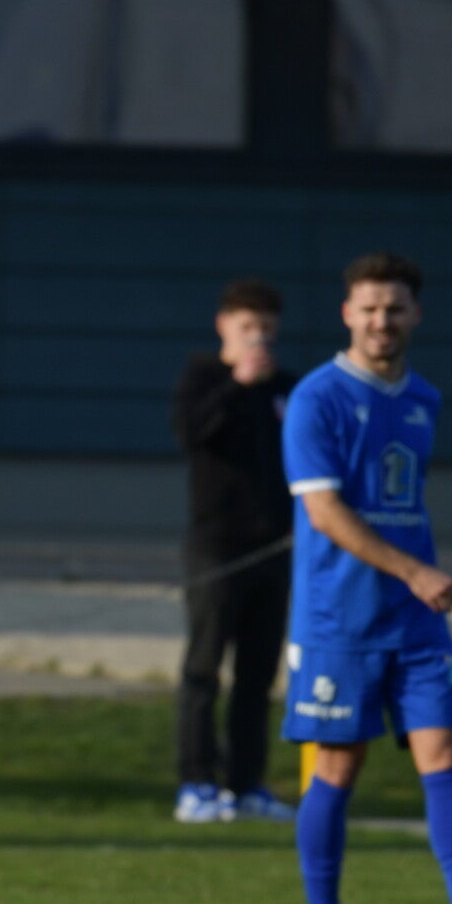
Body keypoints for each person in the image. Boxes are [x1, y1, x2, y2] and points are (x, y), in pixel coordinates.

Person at [282, 252, 452, 904]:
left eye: (395, 308)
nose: (382, 320)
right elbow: (324, 512)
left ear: (416, 315)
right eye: (370, 307)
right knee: (338, 765)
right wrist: (415, 570)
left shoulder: (424, 400)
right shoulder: (316, 398)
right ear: (347, 313)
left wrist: (415, 579)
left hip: (415, 619)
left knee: (444, 750)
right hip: (339, 619)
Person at [171, 278, 298, 824]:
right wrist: (236, 386)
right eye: (248, 327)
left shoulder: (286, 390)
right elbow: (190, 433)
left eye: (266, 328)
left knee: (257, 675)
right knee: (203, 669)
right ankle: (196, 783)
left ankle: (246, 784)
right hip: (216, 548)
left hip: (275, 549)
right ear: (224, 326)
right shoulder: (203, 379)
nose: (257, 338)